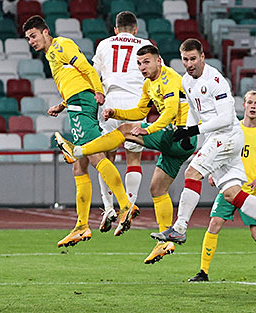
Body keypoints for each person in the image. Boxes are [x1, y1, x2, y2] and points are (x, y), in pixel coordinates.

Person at [55, 45, 197, 264]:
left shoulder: (168, 78)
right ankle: (165, 240)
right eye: (139, 64)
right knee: (157, 188)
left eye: (146, 62)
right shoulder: (148, 84)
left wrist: (147, 129)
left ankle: (77, 150)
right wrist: (117, 113)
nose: (142, 67)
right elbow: (140, 112)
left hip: (180, 135)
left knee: (124, 132)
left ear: (158, 61)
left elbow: (169, 112)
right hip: (179, 145)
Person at [150, 38, 256, 249]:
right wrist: (186, 130)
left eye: (193, 59)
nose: (189, 64)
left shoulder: (215, 80)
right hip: (217, 139)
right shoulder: (186, 81)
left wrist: (193, 130)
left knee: (191, 173)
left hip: (226, 136)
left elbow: (226, 118)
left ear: (202, 57)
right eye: (185, 60)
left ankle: (179, 228)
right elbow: (191, 107)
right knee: (232, 193)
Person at [23, 15, 138, 247]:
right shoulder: (51, 54)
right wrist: (62, 104)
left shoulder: (62, 45)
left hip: (83, 101)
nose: (31, 41)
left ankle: (125, 205)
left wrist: (98, 91)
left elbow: (85, 67)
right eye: (28, 38)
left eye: (33, 36)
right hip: (76, 101)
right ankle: (81, 225)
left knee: (94, 155)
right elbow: (74, 79)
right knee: (80, 165)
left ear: (46, 32)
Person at [188, 90, 256, 282]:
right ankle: (203, 272)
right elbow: (216, 152)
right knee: (214, 224)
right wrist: (214, 173)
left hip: (250, 191)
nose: (253, 106)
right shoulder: (231, 129)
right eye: (250, 102)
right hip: (229, 187)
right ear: (244, 106)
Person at [92, 11, 153, 233]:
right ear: (136, 29)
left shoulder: (104, 44)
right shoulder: (145, 44)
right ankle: (127, 205)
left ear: (115, 30)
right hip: (136, 104)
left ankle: (108, 207)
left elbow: (93, 74)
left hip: (111, 102)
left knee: (106, 157)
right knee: (133, 157)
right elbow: (156, 74)